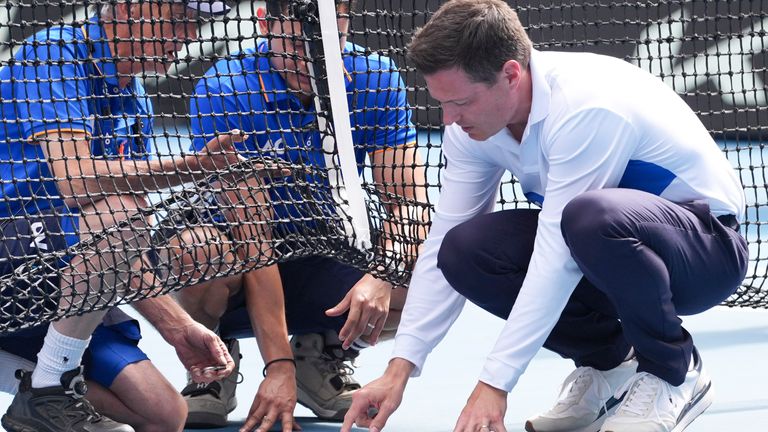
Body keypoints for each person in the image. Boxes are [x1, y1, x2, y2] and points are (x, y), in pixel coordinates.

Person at [341, 0, 749, 431]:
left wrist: (494, 384)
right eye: (442, 103)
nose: (449, 118)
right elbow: (444, 239)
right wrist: (399, 368)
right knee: (465, 250)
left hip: (705, 253)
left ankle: (674, 371)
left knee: (589, 217)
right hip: (608, 254)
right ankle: (610, 365)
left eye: (460, 101)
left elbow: (557, 256)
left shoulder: (586, 106)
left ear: (511, 75)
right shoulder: (470, 128)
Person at [168, 0, 429, 430]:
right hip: (237, 258)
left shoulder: (375, 77)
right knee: (198, 252)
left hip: (325, 245)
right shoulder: (227, 87)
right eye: (295, 42)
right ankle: (215, 359)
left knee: (429, 266)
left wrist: (381, 275)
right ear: (264, 23)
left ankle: (322, 352)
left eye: (331, 40)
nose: (313, 57)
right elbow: (255, 242)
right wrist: (277, 366)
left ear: (345, 25)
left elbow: (409, 204)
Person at [0, 1, 246, 431]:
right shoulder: (52, 54)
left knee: (165, 415)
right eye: (179, 20)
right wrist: (192, 168)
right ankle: (49, 386)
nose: (189, 37)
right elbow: (76, 181)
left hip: (56, 277)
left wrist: (177, 325)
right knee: (123, 210)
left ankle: (39, 379)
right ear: (132, 7)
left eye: (196, 24)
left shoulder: (137, 104)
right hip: (10, 260)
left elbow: (118, 250)